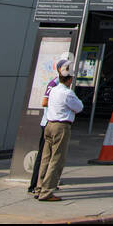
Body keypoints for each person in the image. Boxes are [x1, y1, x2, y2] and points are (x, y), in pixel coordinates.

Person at [35, 61, 84, 202]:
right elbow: (79, 107)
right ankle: (47, 191)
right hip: (61, 127)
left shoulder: (54, 90)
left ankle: (39, 188)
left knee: (46, 158)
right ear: (69, 79)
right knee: (57, 159)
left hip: (49, 125)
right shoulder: (67, 93)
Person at [28, 56, 69, 195]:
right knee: (47, 156)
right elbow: (44, 102)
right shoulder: (54, 83)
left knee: (50, 156)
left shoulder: (61, 84)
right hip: (50, 122)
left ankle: (44, 184)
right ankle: (36, 185)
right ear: (60, 70)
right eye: (67, 68)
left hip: (51, 122)